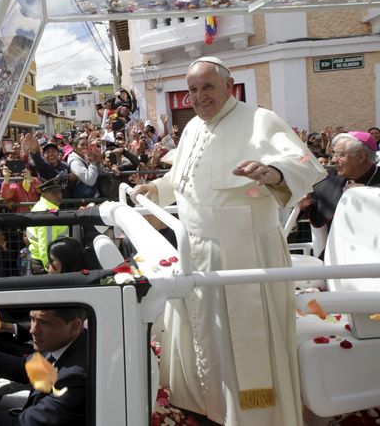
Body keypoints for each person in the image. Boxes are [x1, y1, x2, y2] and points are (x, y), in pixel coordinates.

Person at [131, 56, 324, 425]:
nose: (199, 96)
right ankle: (212, 406)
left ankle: (256, 416)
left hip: (244, 249)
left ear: (228, 86)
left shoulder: (259, 119)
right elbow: (181, 177)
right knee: (210, 337)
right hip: (197, 250)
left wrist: (272, 172)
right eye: (192, 89)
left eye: (207, 87)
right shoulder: (192, 128)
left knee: (244, 343)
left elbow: (299, 160)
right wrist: (155, 188)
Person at [308, 132, 380, 232]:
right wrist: (305, 204)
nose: (333, 160)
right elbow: (314, 215)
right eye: (334, 154)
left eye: (340, 155)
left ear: (361, 156)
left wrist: (367, 195)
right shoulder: (327, 184)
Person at [26, 176, 69, 275]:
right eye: (54, 193)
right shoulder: (48, 212)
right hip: (47, 264)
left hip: (43, 261)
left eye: (60, 192)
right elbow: (46, 242)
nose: (59, 195)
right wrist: (50, 266)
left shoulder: (42, 206)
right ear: (44, 194)